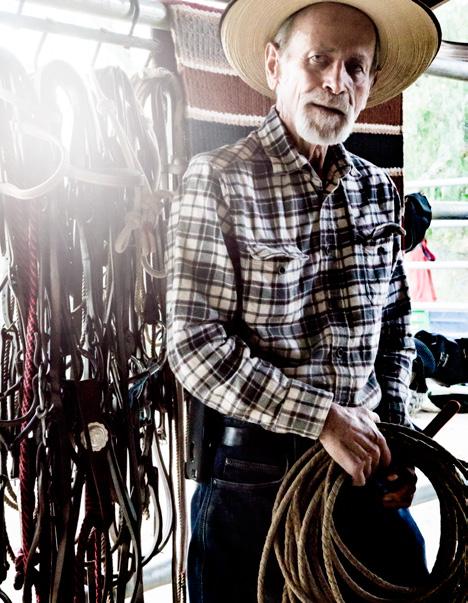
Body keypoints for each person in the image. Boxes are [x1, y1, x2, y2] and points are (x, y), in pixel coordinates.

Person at [167, 1, 441, 601]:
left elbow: (395, 322)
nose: (337, 82)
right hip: (252, 482)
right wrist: (323, 419)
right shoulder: (220, 179)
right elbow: (194, 345)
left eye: (356, 67)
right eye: (318, 59)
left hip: (362, 468)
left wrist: (393, 431)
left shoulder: (377, 189)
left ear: (369, 84)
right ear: (275, 65)